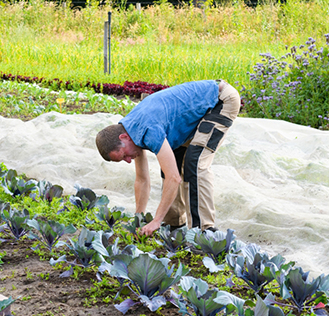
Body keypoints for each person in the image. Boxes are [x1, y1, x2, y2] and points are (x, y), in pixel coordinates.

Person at [95, 79, 241, 236]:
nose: (128, 160)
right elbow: (142, 179)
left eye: (124, 156)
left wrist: (156, 220)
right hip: (196, 111)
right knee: (172, 161)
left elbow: (174, 179)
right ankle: (174, 224)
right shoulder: (130, 130)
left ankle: (204, 231)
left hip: (220, 100)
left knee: (195, 162)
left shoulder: (148, 129)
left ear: (123, 138)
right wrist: (139, 218)